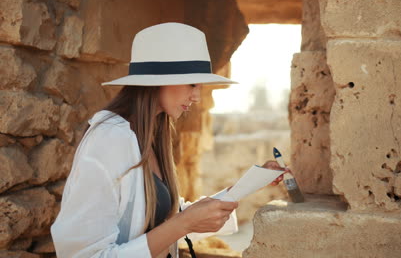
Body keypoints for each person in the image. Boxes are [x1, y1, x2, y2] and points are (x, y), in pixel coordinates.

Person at [50, 22, 288, 258]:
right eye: (192, 84)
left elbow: (163, 221)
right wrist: (183, 224)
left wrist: (246, 185)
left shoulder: (150, 135)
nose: (196, 96)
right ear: (159, 80)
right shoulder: (108, 139)